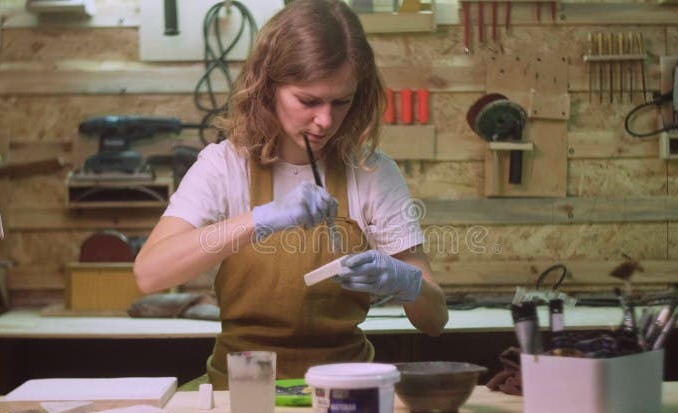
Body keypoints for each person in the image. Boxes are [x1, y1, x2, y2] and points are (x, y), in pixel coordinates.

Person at [134, 0, 447, 389]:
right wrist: (260, 218)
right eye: (309, 101)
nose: (326, 120)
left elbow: (434, 320)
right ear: (269, 88)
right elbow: (149, 274)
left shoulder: (372, 172)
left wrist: (406, 281)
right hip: (244, 387)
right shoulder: (223, 166)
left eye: (341, 101)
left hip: (343, 388)